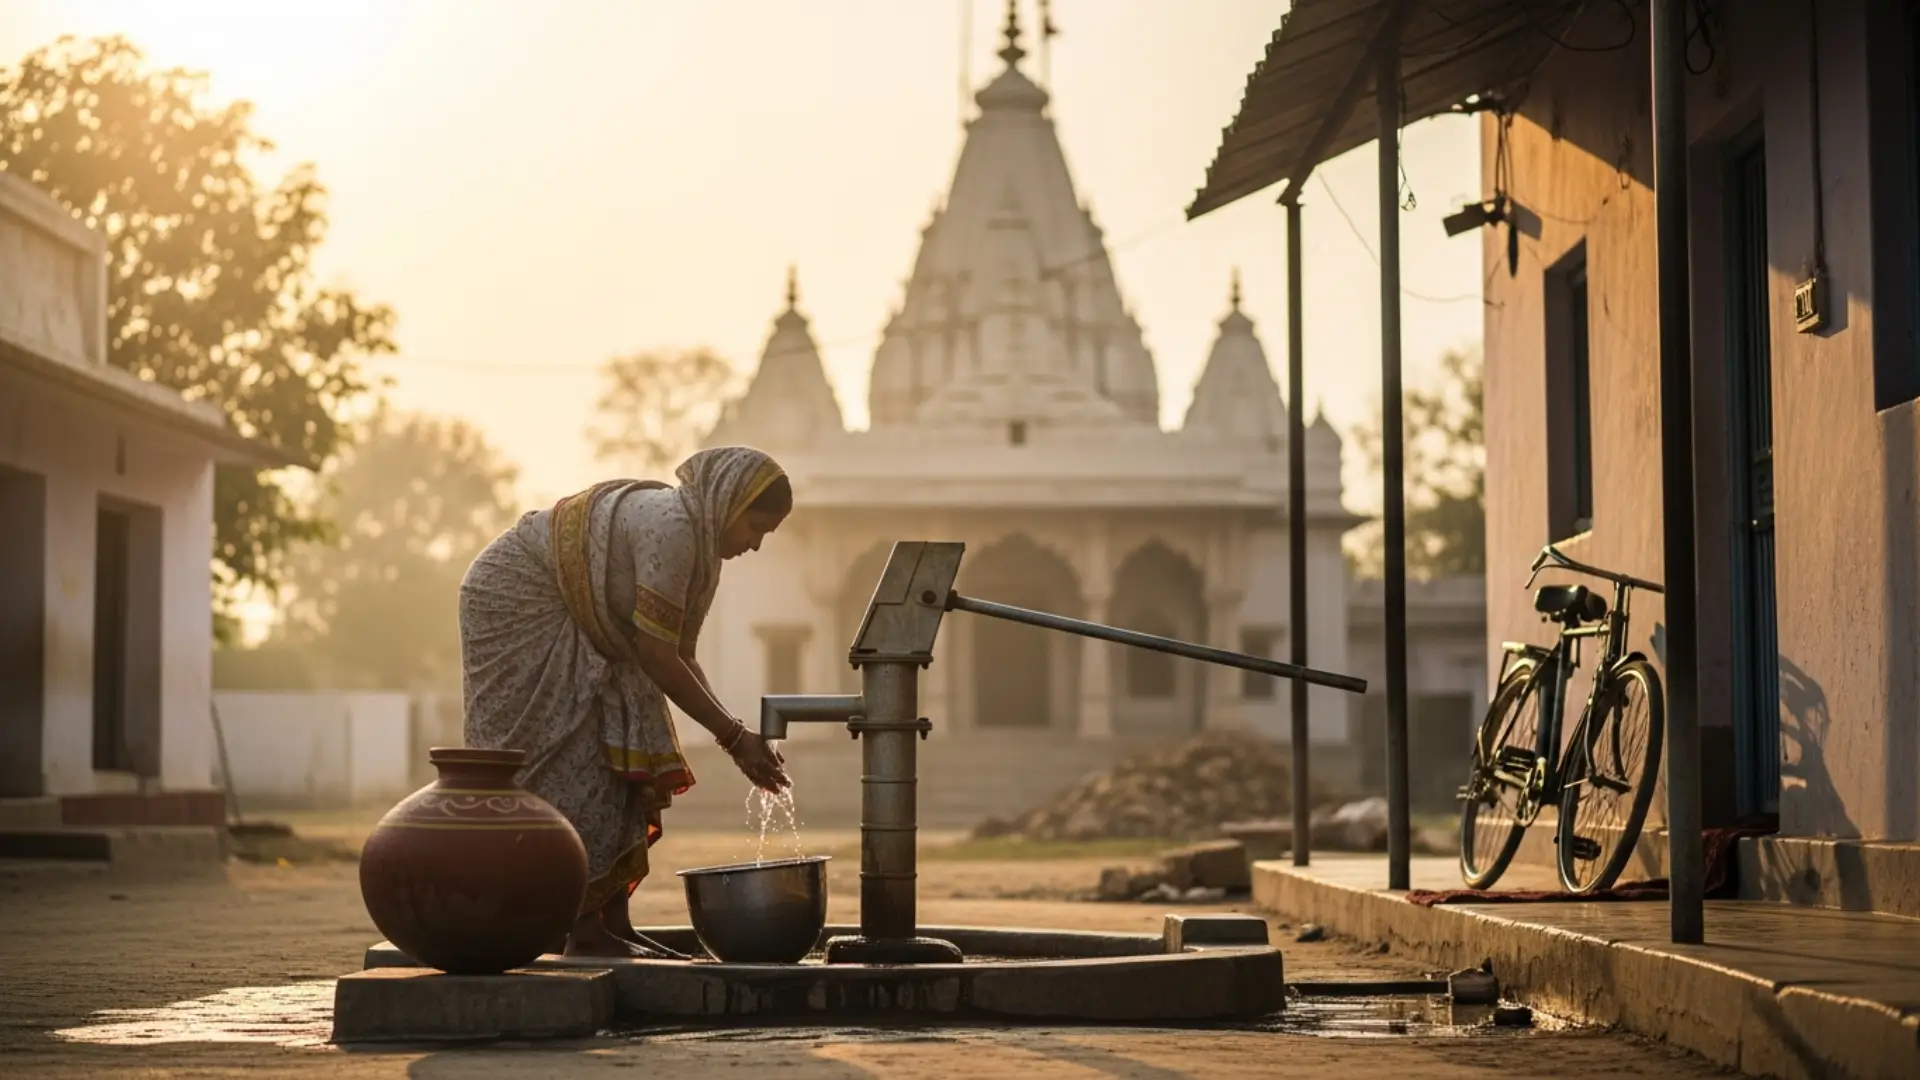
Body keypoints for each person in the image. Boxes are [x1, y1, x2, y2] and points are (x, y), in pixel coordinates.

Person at [458, 445, 793, 958]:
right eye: (756, 528)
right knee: (575, 754)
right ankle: (582, 926)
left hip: (589, 628)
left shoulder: (701, 548)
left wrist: (736, 732)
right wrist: (732, 737)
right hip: (519, 601)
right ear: (729, 501)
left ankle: (613, 923)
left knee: (625, 741)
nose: (755, 545)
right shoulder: (674, 529)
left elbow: (679, 656)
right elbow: (657, 657)